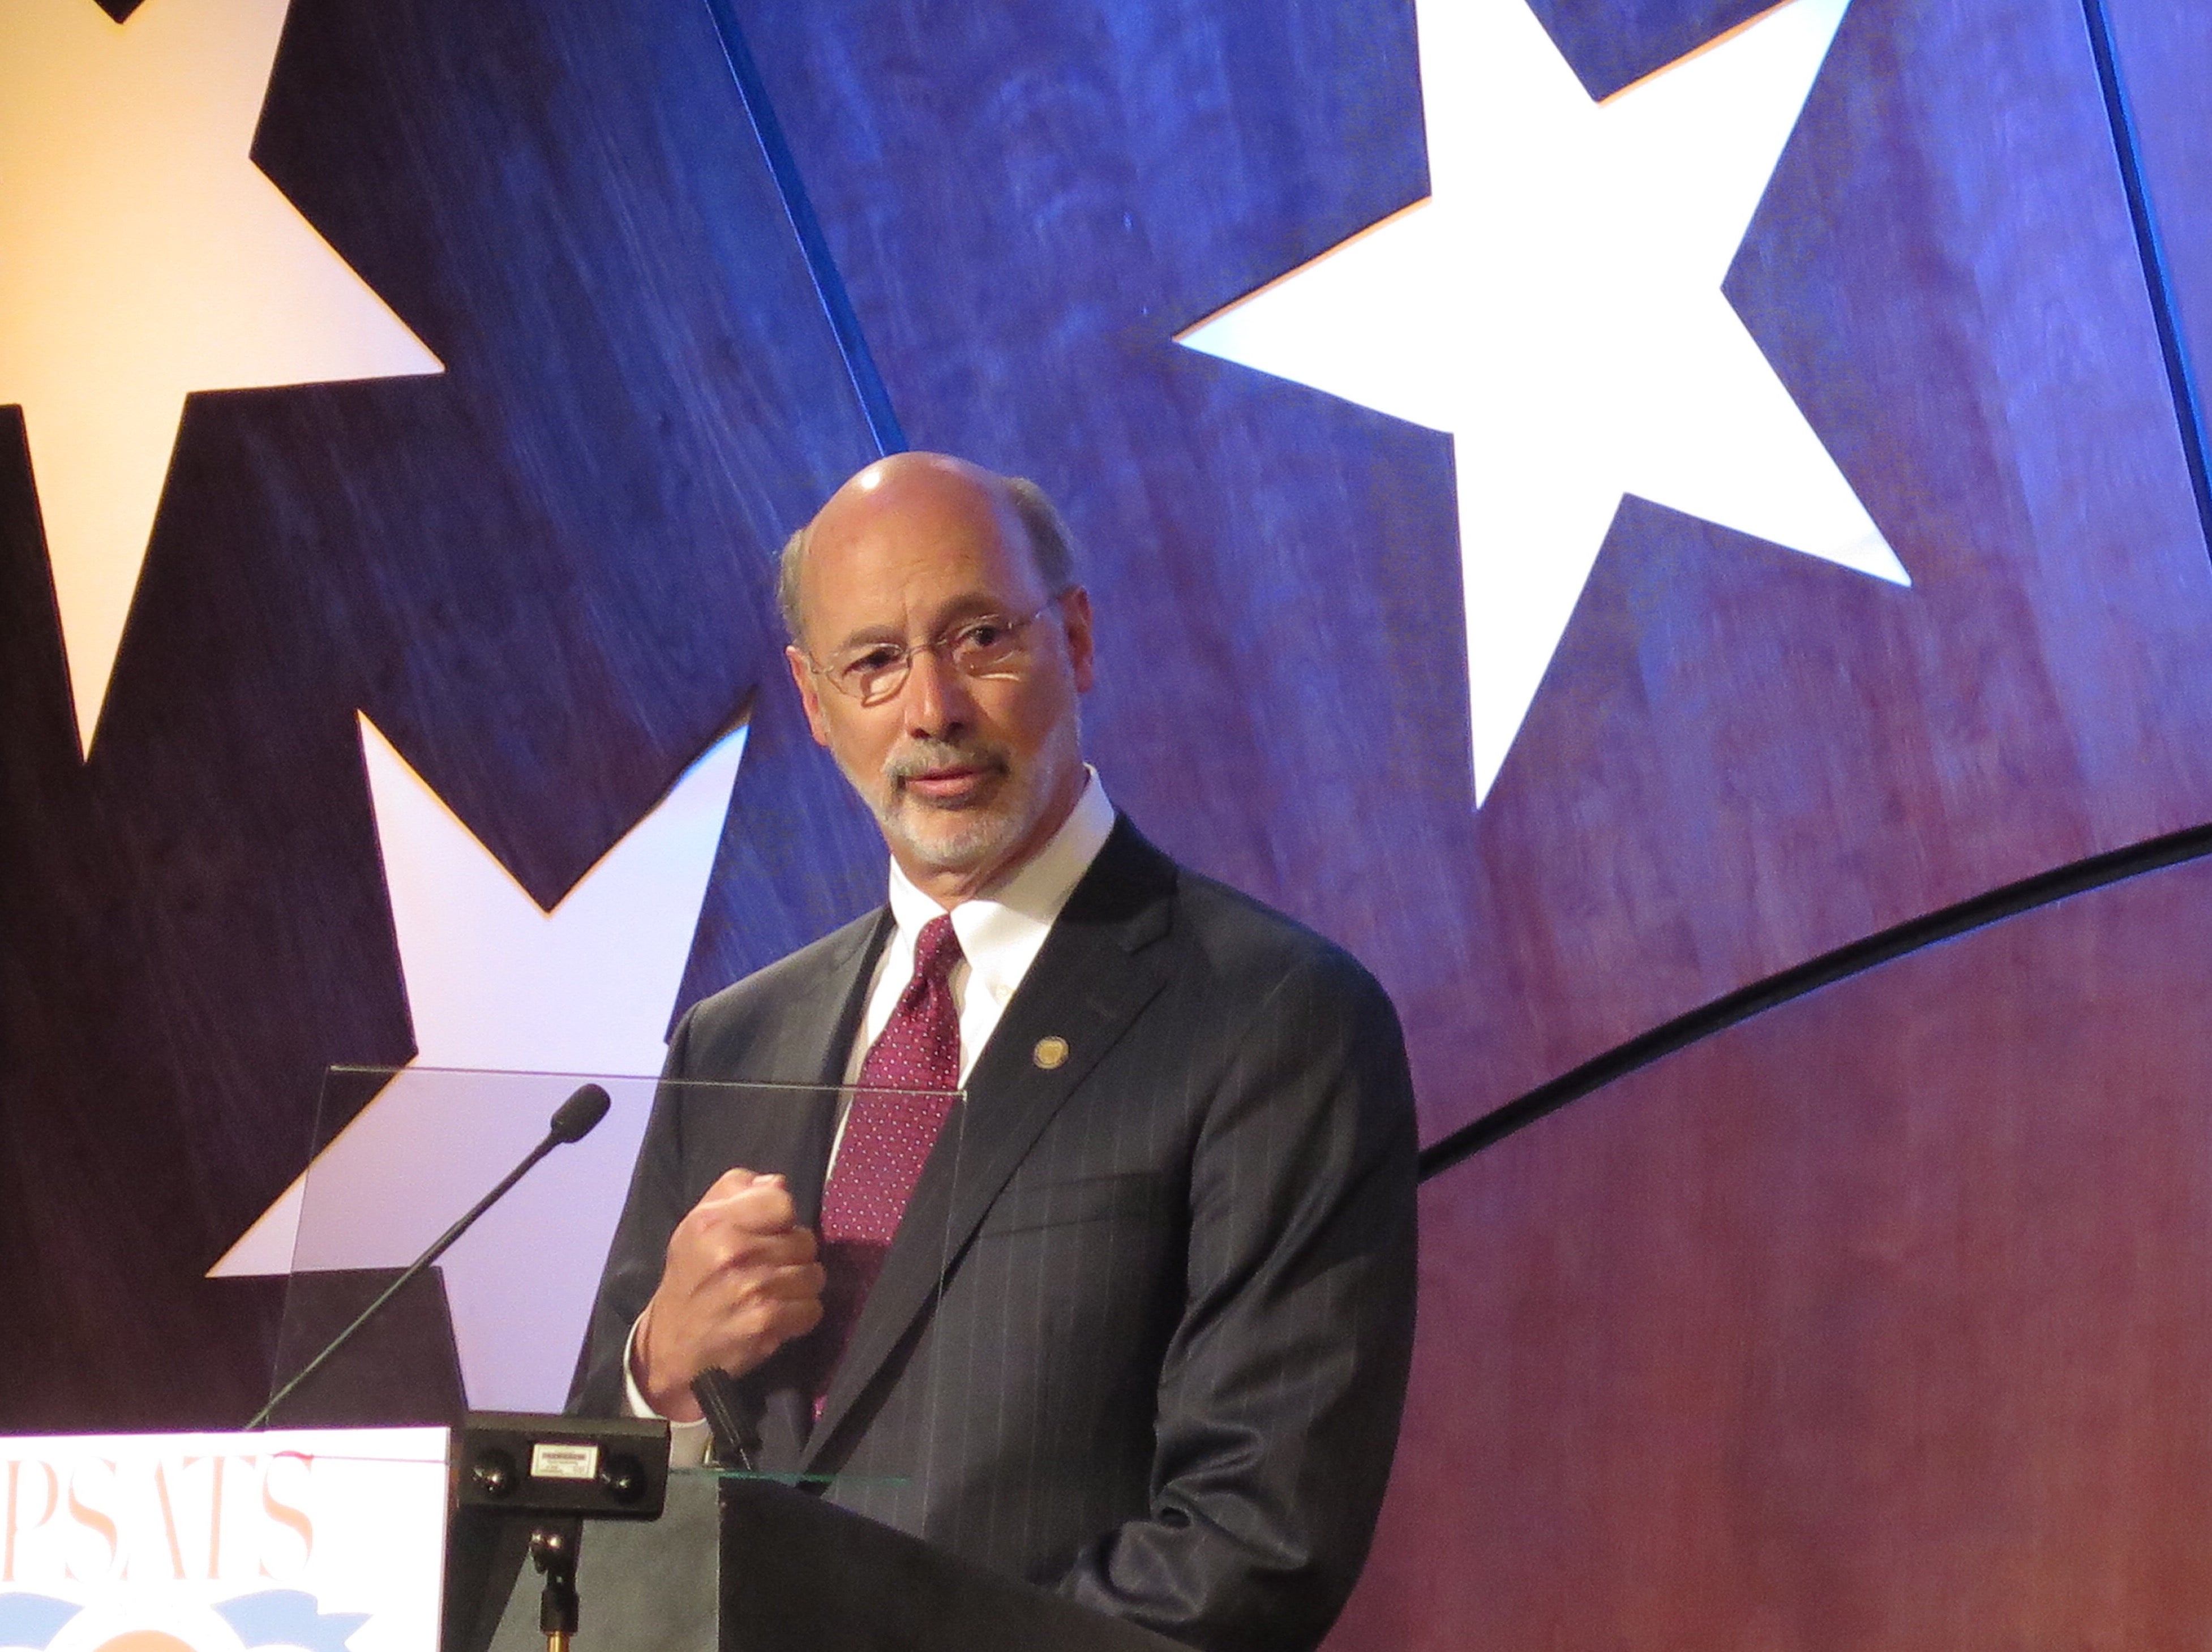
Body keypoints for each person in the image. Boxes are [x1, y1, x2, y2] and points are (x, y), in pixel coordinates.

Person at [570, 453, 1418, 1651]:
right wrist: (659, 1371)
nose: (931, 710)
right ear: (815, 705)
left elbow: (1251, 1542)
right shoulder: (736, 1039)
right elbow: (583, 1521)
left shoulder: (1276, 1018)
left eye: (977, 637)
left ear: (1075, 640)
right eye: (873, 662)